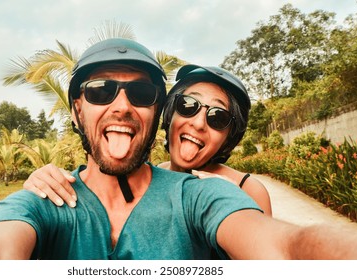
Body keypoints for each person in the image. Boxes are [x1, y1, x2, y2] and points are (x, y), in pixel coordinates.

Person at [0, 38, 357, 260]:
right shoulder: (44, 200)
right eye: (99, 91)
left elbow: (288, 247)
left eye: (140, 94)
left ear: (156, 111)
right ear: (76, 109)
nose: (120, 106)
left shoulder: (202, 193)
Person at [24, 64, 272, 216]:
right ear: (168, 115)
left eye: (217, 117)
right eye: (188, 105)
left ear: (230, 136)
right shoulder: (155, 177)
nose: (198, 123)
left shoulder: (246, 190)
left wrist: (230, 203)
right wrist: (43, 180)